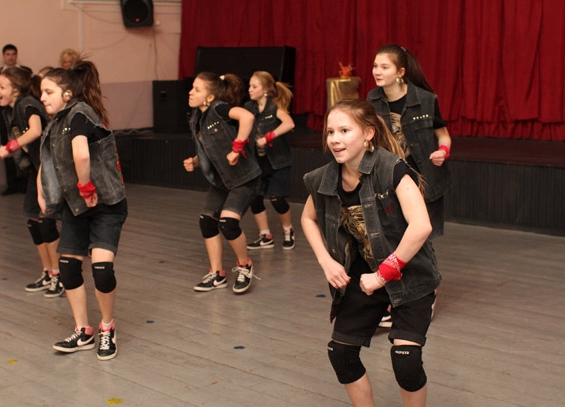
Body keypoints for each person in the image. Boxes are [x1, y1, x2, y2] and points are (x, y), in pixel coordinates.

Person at [301, 99, 441, 407]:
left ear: (368, 133)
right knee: (341, 353)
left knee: (405, 360)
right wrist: (326, 262)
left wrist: (382, 275)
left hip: (410, 278)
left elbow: (421, 226)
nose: (334, 139)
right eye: (330, 132)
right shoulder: (324, 178)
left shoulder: (392, 169)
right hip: (364, 276)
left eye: (344, 130)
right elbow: (308, 218)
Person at [38, 60, 127, 361]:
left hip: (105, 206)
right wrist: (43, 192)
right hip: (75, 207)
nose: (43, 97)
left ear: (67, 93)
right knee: (68, 267)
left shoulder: (79, 114)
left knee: (102, 270)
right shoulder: (56, 123)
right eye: (41, 92)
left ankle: (107, 327)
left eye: (48, 91)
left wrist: (86, 187)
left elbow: (81, 155)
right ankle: (83, 331)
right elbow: (47, 162)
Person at [367, 44, 450, 328]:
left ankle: (427, 293)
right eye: (375, 66)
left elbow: (444, 136)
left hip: (425, 179)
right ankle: (400, 294)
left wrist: (443, 152)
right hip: (391, 178)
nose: (377, 71)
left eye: (384, 67)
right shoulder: (372, 100)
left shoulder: (425, 100)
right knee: (396, 236)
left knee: (421, 238)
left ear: (400, 72)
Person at [0, 67, 62, 298]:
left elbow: (35, 131)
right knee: (33, 221)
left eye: (2, 87)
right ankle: (48, 272)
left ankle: (60, 275)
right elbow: (20, 142)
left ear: (15, 89)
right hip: (36, 170)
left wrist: (8, 147)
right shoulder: (10, 111)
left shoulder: (26, 103)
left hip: (51, 169)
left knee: (46, 222)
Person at [183, 72, 261, 294]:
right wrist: (195, 161)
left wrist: (237, 147)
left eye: (197, 89)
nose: (191, 92)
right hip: (221, 182)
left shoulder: (219, 109)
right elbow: (211, 148)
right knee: (207, 222)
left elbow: (247, 117)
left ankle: (245, 266)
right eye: (192, 87)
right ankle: (217, 274)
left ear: (210, 97)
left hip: (244, 179)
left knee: (228, 223)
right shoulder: (197, 118)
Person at [244, 71, 296, 251]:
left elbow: (289, 123)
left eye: (254, 86)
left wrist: (267, 137)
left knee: (277, 199)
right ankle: (265, 236)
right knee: (255, 198)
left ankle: (288, 230)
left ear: (265, 89)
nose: (250, 89)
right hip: (257, 162)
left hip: (277, 161)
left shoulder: (274, 106)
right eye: (249, 86)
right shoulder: (248, 107)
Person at [0, 44, 32, 195]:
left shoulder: (28, 105)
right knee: (9, 142)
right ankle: (12, 183)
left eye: (13, 54)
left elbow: (35, 132)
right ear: (3, 56)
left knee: (26, 148)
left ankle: (27, 182)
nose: (11, 57)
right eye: (8, 54)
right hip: (4, 115)